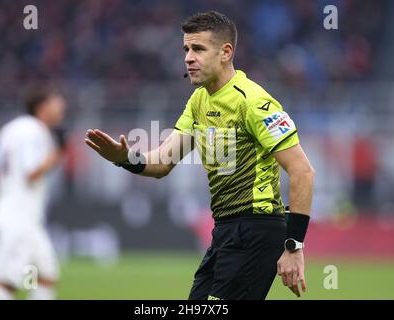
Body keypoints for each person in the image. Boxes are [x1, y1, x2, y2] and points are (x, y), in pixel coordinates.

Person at [85, 11, 315, 300]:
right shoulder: (199, 100)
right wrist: (124, 157)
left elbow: (303, 171)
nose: (188, 58)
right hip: (225, 230)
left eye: (198, 49)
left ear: (225, 52)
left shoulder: (254, 101)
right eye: (186, 49)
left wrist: (294, 247)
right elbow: (162, 162)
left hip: (256, 228)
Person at [0, 87, 67, 300]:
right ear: (42, 107)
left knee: (43, 275)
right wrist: (58, 153)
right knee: (7, 282)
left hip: (21, 218)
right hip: (20, 219)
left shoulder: (10, 130)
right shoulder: (33, 131)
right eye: (57, 103)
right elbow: (30, 172)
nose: (62, 108)